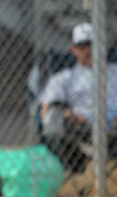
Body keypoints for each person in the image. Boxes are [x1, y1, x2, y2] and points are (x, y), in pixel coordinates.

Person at [39, 22, 117, 169]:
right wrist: (70, 116)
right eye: (82, 46)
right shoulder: (64, 78)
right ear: (74, 50)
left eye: (92, 45)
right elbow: (47, 112)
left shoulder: (115, 71)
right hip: (86, 129)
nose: (88, 50)